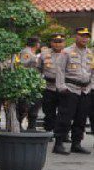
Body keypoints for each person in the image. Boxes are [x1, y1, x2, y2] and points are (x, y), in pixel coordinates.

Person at [53, 27, 93, 155]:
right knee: (65, 117)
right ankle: (58, 143)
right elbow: (60, 70)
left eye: (87, 36)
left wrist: (91, 86)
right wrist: (61, 87)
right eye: (82, 36)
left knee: (81, 119)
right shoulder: (66, 52)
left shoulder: (91, 53)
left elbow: (92, 72)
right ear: (76, 36)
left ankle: (76, 144)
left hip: (85, 90)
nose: (84, 38)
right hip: (70, 89)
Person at [38, 33, 65, 133]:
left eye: (60, 42)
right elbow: (38, 69)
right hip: (49, 87)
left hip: (64, 87)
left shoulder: (68, 53)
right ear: (51, 43)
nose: (57, 44)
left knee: (64, 112)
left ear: (64, 43)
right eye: (55, 42)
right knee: (49, 111)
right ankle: (49, 131)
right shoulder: (44, 54)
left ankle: (62, 134)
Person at [18, 36, 41, 130]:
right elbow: (23, 67)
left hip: (33, 82)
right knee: (24, 106)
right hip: (27, 83)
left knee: (33, 106)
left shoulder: (31, 52)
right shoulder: (26, 52)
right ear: (36, 44)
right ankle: (20, 126)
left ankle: (31, 127)